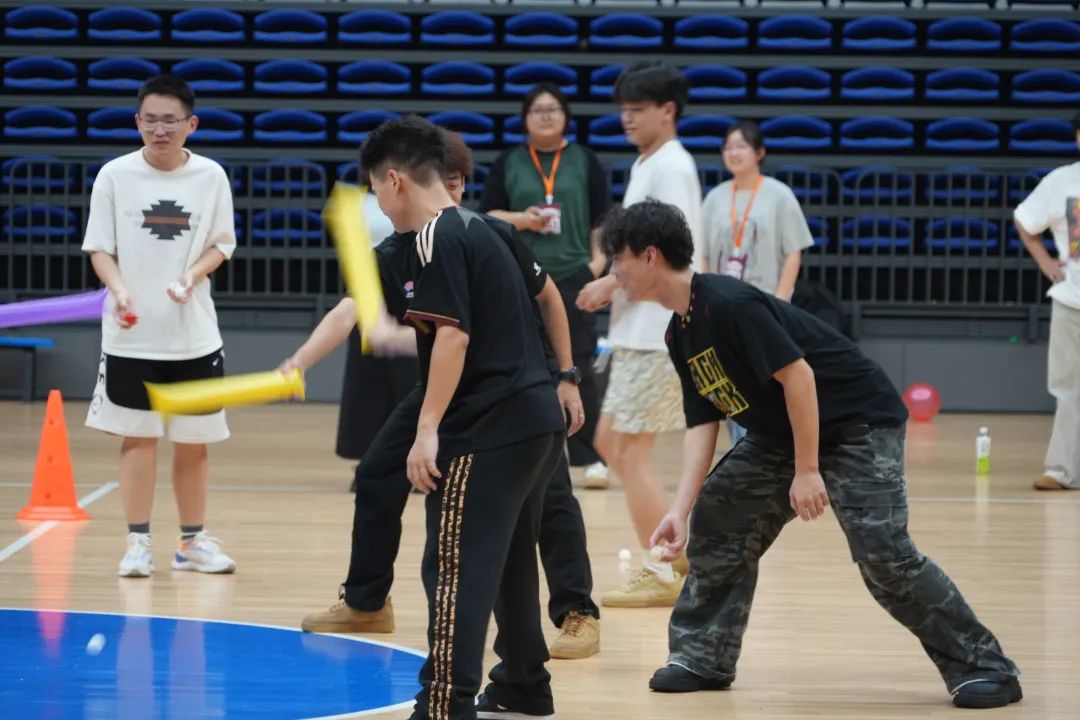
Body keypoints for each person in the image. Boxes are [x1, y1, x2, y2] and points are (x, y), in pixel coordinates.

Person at [600, 199, 1022, 710]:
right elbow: (703, 422)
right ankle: (701, 657)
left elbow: (799, 376)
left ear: (649, 255)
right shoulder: (679, 332)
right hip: (780, 434)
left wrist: (806, 470)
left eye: (617, 258)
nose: (613, 271)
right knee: (720, 515)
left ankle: (985, 666)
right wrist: (680, 509)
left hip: (856, 424)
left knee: (884, 556)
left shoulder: (729, 303)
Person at [288, 129, 602, 661]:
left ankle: (576, 611)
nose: (450, 194)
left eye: (457, 184)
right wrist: (299, 362)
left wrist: (566, 376)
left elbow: (548, 299)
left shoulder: (481, 233)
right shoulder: (402, 248)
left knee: (548, 498)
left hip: (519, 384)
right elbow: (350, 309)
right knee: (377, 472)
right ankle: (366, 600)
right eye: (445, 182)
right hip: (450, 385)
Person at [83, 74, 237, 578]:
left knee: (193, 442)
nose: (160, 130)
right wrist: (120, 291)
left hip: (193, 335)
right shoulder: (114, 176)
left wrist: (191, 277)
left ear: (191, 124)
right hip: (131, 336)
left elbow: (221, 245)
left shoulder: (211, 177)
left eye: (170, 121)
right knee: (138, 438)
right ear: (137, 122)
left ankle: (191, 543)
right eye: (150, 121)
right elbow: (100, 249)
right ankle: (137, 544)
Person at [577, 61, 702, 607]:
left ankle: (664, 569)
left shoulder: (672, 166)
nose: (626, 119)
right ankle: (680, 563)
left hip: (658, 332)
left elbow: (670, 252)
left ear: (667, 110)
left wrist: (611, 282)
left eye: (637, 110)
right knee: (611, 444)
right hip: (638, 331)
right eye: (623, 110)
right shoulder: (648, 162)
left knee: (627, 451)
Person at [479, 83, 612, 489]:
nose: (546, 116)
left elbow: (602, 218)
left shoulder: (584, 159)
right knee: (522, 360)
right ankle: (524, 451)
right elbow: (489, 214)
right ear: (525, 118)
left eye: (553, 109)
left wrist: (596, 264)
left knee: (579, 362)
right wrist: (524, 219)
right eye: (537, 110)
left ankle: (591, 457)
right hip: (523, 273)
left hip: (573, 273)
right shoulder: (510, 160)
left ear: (566, 116)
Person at [700, 119, 814, 446]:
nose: (733, 153)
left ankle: (765, 450)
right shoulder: (715, 198)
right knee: (731, 386)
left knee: (764, 385)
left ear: (759, 152)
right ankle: (742, 452)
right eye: (727, 147)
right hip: (722, 308)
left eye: (741, 146)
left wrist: (780, 299)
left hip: (763, 306)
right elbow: (703, 254)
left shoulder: (779, 195)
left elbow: (793, 252)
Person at [1014, 110, 1080, 491]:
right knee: (1068, 388)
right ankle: (1061, 469)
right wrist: (1045, 262)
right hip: (1071, 300)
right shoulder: (1060, 181)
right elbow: (1025, 221)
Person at [335, 192, 417, 490]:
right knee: (367, 385)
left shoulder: (416, 198)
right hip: (370, 296)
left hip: (410, 291)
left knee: (411, 382)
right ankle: (369, 462)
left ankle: (415, 462)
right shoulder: (354, 203)